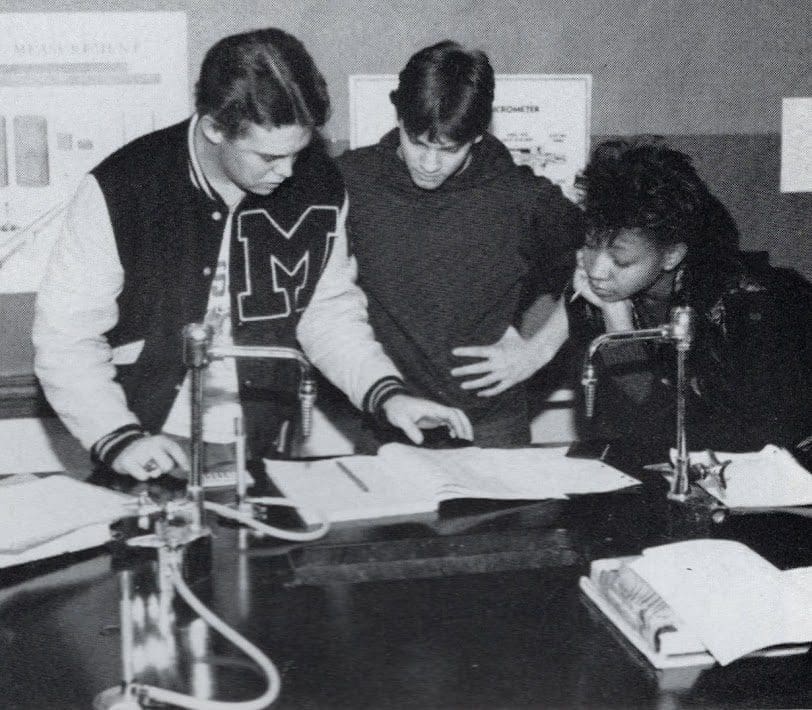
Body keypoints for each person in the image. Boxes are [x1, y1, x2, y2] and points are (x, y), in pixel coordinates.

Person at [33, 28, 472, 482]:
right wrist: (117, 436)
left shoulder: (317, 183)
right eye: (267, 157)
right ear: (214, 128)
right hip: (145, 438)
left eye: (298, 153)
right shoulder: (123, 188)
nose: (286, 173)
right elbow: (66, 337)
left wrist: (386, 394)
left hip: (263, 445)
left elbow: (329, 314)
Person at [463, 137, 811, 458]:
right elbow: (620, 427)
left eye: (621, 260)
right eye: (588, 245)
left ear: (672, 255)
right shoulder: (601, 294)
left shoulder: (750, 308)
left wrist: (620, 327)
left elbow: (696, 440)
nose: (597, 270)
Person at [337, 41, 585, 448]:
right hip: (391, 420)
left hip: (491, 426)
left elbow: (603, 267)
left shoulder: (520, 196)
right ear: (398, 114)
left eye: (449, 149)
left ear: (479, 133)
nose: (430, 164)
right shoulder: (352, 181)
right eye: (417, 142)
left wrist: (537, 350)